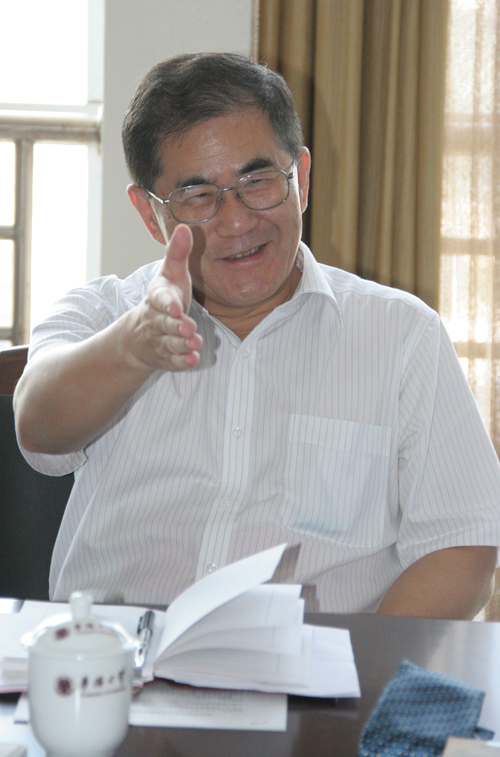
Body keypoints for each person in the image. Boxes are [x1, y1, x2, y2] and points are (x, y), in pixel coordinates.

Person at [14, 53, 500, 618]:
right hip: (119, 661)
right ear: (150, 215)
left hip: (317, 663)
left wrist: (359, 665)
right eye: (198, 196)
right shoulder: (101, 315)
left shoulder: (402, 335)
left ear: (302, 178)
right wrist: (134, 346)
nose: (237, 221)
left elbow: (462, 546)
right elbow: (37, 426)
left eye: (258, 181)